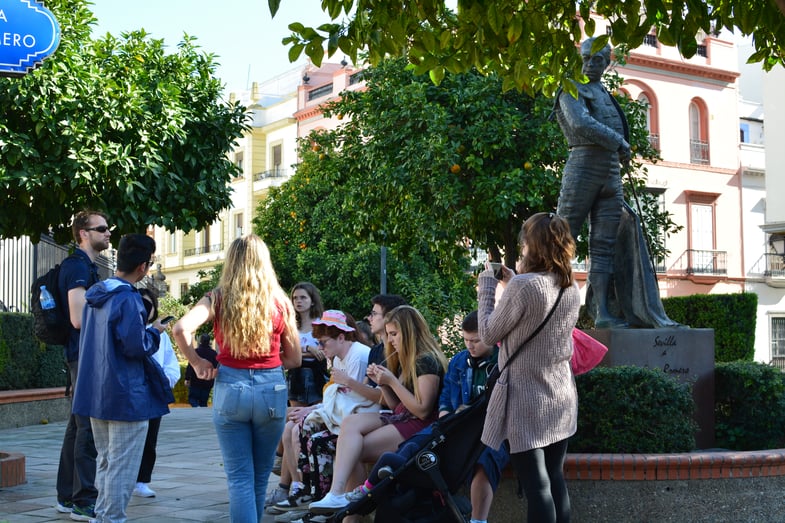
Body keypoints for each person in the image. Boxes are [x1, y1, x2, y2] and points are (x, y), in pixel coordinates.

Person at [172, 234, 302, 523]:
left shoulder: (217, 298)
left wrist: (196, 362)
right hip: (272, 389)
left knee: (240, 479)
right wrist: (266, 360)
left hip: (231, 388)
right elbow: (294, 359)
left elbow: (181, 328)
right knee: (257, 478)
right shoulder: (280, 303)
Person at [347, 310, 508, 523]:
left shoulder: (502, 364)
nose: (470, 345)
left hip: (488, 432)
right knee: (409, 448)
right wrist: (446, 415)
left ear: (491, 337)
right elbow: (446, 397)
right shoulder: (460, 361)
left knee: (484, 462)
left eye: (476, 341)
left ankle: (478, 520)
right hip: (453, 429)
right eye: (466, 340)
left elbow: (422, 409)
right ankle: (367, 492)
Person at [477, 212, 580, 523]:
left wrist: (486, 288)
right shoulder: (569, 286)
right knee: (554, 478)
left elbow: (487, 334)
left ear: (533, 245)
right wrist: (511, 281)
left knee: (537, 487)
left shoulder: (525, 286)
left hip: (526, 398)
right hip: (560, 394)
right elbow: (537, 308)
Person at [72, 234, 172, 523]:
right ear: (143, 266)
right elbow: (135, 346)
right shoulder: (128, 298)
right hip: (127, 395)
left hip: (96, 392)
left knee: (106, 461)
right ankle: (111, 518)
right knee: (122, 466)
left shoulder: (95, 294)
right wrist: (154, 331)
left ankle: (102, 516)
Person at [309, 305, 447, 514]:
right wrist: (382, 383)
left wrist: (392, 381)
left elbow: (422, 410)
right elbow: (394, 405)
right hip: (401, 416)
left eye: (394, 334)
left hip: (419, 425)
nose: (390, 340)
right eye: (388, 334)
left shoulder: (425, 360)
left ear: (409, 332)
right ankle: (336, 495)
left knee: (352, 451)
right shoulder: (405, 358)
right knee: (350, 424)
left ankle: (349, 512)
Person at [552, 37, 631, 329]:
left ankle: (602, 313)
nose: (592, 65)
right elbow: (580, 123)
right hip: (583, 165)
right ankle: (555, 308)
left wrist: (620, 147)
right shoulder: (570, 88)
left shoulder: (603, 91)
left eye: (598, 60)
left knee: (604, 245)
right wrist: (618, 140)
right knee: (562, 238)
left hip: (610, 169)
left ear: (607, 62)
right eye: (587, 59)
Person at [273, 310, 374, 513]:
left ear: (342, 337)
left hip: (357, 417)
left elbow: (353, 401)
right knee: (296, 427)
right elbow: (339, 398)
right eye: (318, 342)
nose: (319, 347)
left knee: (308, 433)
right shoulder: (338, 357)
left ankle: (317, 495)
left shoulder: (358, 356)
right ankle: (305, 491)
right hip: (345, 415)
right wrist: (312, 410)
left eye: (323, 342)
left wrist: (312, 411)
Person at [55, 210, 110, 522]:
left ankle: (67, 496)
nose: (107, 233)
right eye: (101, 229)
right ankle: (83, 501)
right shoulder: (77, 266)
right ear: (83, 234)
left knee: (77, 428)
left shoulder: (86, 266)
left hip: (83, 355)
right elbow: (78, 317)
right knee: (86, 428)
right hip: (83, 356)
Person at [133, 289, 182, 499]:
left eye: (148, 304)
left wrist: (165, 380)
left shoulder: (161, 335)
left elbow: (172, 365)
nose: (144, 308)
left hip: (154, 393)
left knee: (149, 439)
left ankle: (142, 481)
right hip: (134, 393)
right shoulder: (131, 329)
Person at [288, 282, 328, 407]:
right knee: (295, 416)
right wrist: (309, 349)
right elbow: (286, 352)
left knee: (317, 415)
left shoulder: (322, 324)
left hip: (318, 374)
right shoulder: (290, 324)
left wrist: (299, 353)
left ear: (312, 301)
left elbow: (324, 353)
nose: (298, 301)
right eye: (295, 298)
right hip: (296, 375)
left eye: (303, 297)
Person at [185, 333, 218, 407]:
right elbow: (216, 367)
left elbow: (190, 366)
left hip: (195, 379)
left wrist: (187, 378)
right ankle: (202, 413)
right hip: (208, 380)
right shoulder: (213, 353)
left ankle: (196, 408)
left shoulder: (195, 352)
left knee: (193, 399)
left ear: (200, 341)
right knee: (204, 401)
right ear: (209, 341)